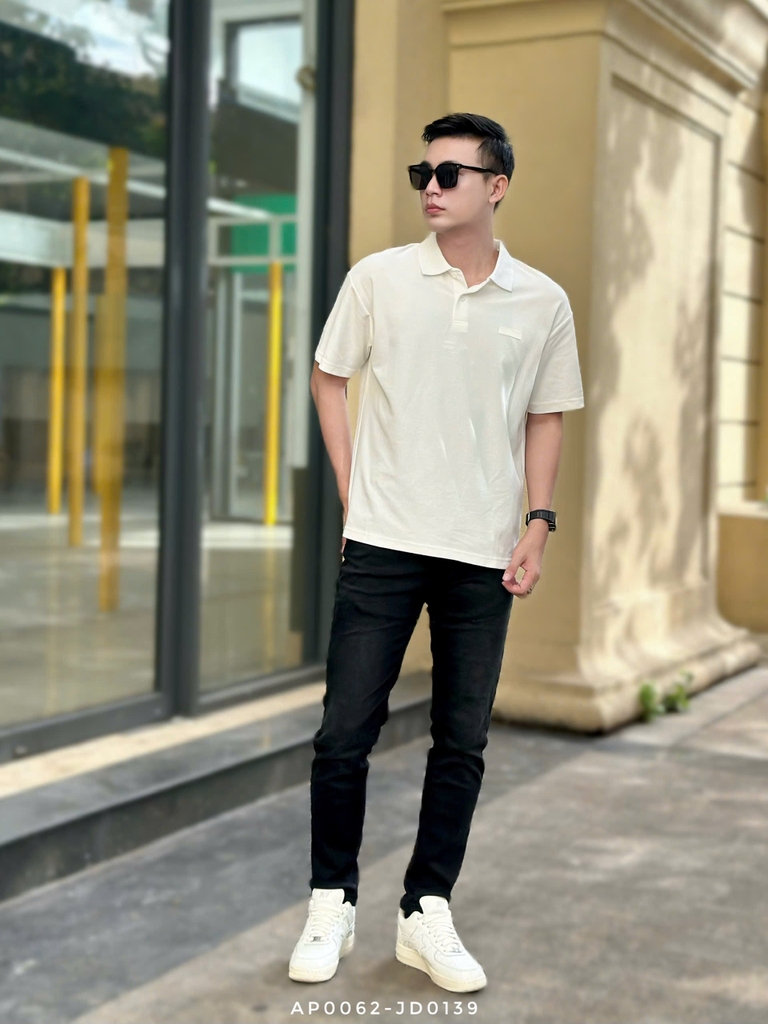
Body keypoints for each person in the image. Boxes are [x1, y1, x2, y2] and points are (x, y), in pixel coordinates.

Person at [288, 112, 585, 993]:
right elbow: (328, 376)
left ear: (497, 187)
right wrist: (355, 491)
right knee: (343, 734)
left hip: (483, 551)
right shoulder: (378, 279)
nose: (432, 186)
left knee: (461, 740)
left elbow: (545, 416)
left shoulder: (543, 301)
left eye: (451, 173)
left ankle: (426, 909)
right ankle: (331, 900)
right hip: (384, 543)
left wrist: (538, 523)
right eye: (425, 171)